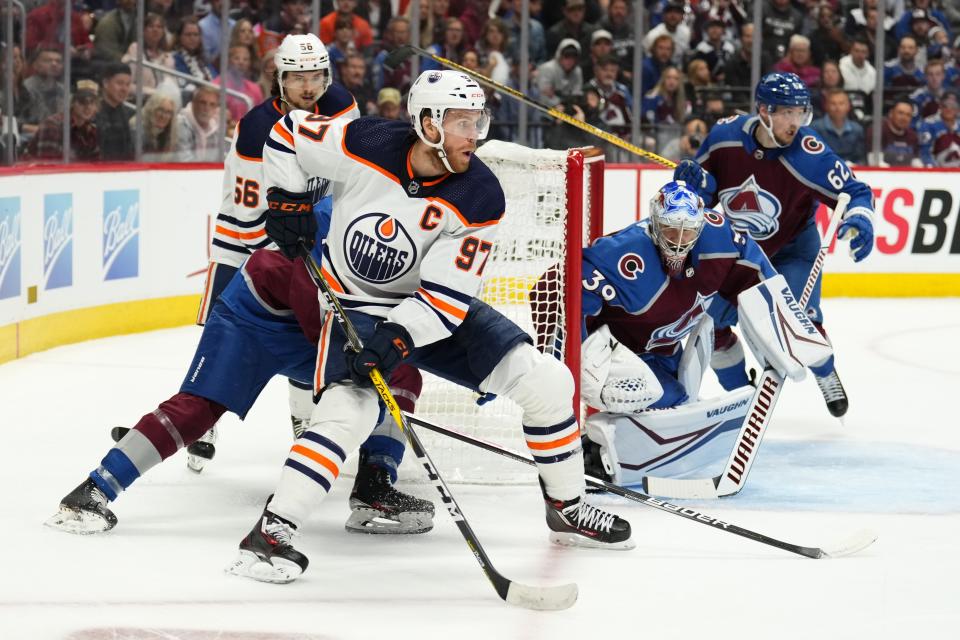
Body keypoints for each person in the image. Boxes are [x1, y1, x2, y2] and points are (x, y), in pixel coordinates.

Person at [226, 69, 634, 583]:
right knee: (347, 409)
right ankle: (272, 532)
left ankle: (567, 509)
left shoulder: (480, 194)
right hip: (354, 301)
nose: (475, 135)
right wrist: (286, 199)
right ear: (427, 123)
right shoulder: (365, 140)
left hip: (431, 307)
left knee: (549, 382)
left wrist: (398, 337)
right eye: (463, 122)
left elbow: (445, 296)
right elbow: (285, 134)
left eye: (477, 121)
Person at [48, 36, 434, 540]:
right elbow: (255, 226)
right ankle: (96, 488)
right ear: (279, 78)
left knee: (395, 369)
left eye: (316, 76)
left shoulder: (343, 125)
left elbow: (349, 172)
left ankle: (367, 483)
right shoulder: (258, 131)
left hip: (300, 273)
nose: (309, 87)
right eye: (297, 77)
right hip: (258, 281)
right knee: (202, 403)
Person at [544, 182, 808, 487]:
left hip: (665, 351)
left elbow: (754, 262)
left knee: (678, 406)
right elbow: (554, 289)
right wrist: (573, 361)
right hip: (621, 357)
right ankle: (593, 456)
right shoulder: (621, 255)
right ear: (655, 224)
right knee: (657, 401)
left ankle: (619, 447)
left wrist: (784, 324)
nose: (680, 242)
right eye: (671, 230)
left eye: (688, 232)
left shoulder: (717, 234)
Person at [674, 71, 876, 418]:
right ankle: (740, 393)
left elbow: (857, 192)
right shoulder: (724, 136)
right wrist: (691, 185)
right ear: (764, 111)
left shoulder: (810, 154)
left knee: (799, 323)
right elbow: (702, 196)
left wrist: (859, 217)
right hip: (740, 249)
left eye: (800, 113)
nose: (794, 122)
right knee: (711, 321)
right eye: (786, 113)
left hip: (794, 249)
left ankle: (825, 373)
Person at [24, 80, 100, 161]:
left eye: (92, 102)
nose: (88, 107)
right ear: (72, 102)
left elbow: (95, 163)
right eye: (82, 101)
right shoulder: (53, 125)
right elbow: (47, 164)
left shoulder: (91, 130)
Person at [811, 89, 866, 165]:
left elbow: (861, 158)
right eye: (833, 104)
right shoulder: (815, 128)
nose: (837, 107)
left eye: (841, 103)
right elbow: (813, 157)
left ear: (848, 106)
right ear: (826, 106)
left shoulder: (857, 129)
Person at [95, 62, 135, 161]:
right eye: (120, 83)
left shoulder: (130, 114)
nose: (124, 89)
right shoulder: (92, 113)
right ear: (105, 83)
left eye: (128, 84)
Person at [865, 98, 921, 166]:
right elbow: (874, 162)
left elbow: (916, 162)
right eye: (900, 113)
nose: (904, 118)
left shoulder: (912, 136)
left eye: (908, 115)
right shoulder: (877, 131)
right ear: (891, 113)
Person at [130, 90, 180, 162]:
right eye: (160, 110)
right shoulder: (137, 132)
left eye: (169, 112)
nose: (164, 116)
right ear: (151, 109)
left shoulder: (166, 134)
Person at [175, 84, 220, 161]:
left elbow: (218, 159)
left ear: (216, 108)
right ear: (193, 103)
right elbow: (184, 161)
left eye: (212, 104)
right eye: (203, 103)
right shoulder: (180, 124)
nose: (207, 108)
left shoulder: (215, 128)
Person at [918, 89, 960, 167]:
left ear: (958, 109)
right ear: (940, 106)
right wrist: (935, 170)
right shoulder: (928, 124)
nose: (949, 109)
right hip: (937, 169)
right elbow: (924, 152)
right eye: (945, 105)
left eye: (953, 106)